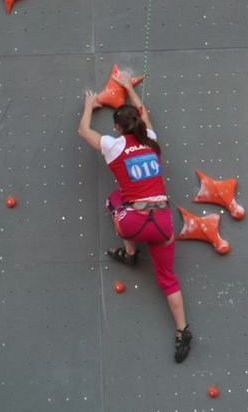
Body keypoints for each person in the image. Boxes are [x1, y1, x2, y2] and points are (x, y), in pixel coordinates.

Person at [78, 70, 193, 362]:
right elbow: (144, 112)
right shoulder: (152, 139)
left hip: (135, 223)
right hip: (164, 223)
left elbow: (84, 132)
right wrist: (129, 87)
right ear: (139, 124)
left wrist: (89, 107)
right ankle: (183, 330)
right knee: (167, 278)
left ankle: (130, 252)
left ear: (118, 128)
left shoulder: (114, 146)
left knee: (114, 201)